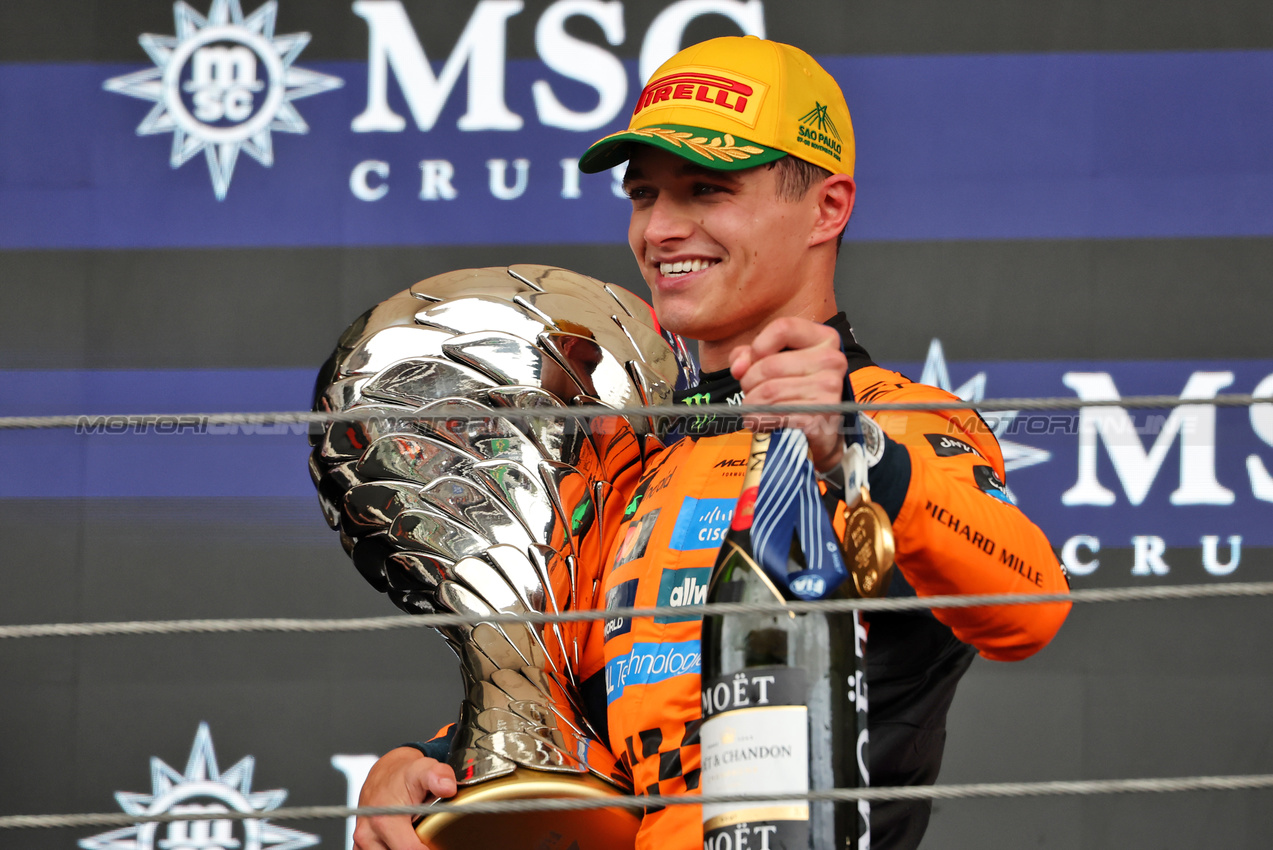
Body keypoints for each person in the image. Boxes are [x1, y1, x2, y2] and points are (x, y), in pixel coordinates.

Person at [352, 36, 1070, 850]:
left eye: (704, 190)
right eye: (643, 196)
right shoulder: (630, 466)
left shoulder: (894, 419)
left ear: (827, 208)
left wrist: (848, 450)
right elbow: (575, 712)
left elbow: (1028, 605)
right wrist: (424, 765)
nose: (661, 229)